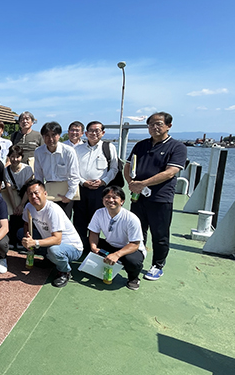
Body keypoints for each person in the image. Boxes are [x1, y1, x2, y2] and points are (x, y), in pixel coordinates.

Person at [124, 112, 187, 281]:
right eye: (151, 124)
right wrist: (131, 183)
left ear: (169, 126)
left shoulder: (177, 147)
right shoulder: (141, 145)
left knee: (160, 234)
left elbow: (170, 172)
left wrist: (143, 183)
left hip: (160, 198)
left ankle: (157, 265)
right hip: (138, 197)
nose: (154, 127)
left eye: (158, 124)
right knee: (137, 230)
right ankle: (136, 261)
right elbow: (128, 166)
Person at [21, 180, 83, 288]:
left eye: (36, 193)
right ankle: (50, 259)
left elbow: (57, 240)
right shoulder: (29, 207)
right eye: (30, 194)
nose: (34, 196)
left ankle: (64, 271)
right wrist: (28, 238)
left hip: (72, 247)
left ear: (45, 193)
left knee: (54, 250)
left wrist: (34, 242)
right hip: (51, 241)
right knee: (19, 234)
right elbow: (26, 224)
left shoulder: (53, 210)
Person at [88, 186, 146, 291]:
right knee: (83, 242)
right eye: (107, 197)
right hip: (111, 244)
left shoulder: (131, 218)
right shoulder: (99, 213)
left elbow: (135, 244)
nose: (110, 200)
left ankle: (133, 278)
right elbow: (94, 233)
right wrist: (94, 247)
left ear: (122, 201)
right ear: (103, 200)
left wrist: (117, 255)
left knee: (133, 261)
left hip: (129, 248)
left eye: (115, 197)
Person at [73, 121, 118, 246]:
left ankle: (93, 245)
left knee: (97, 218)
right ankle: (80, 245)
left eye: (97, 131)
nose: (94, 133)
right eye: (91, 131)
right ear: (86, 133)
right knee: (79, 219)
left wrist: (104, 181)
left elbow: (114, 168)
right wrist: (83, 182)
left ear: (103, 133)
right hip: (82, 188)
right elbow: (73, 169)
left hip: (100, 190)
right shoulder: (78, 149)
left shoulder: (109, 147)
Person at [33, 121, 80, 217]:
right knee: (48, 220)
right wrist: (40, 194)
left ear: (59, 136)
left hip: (66, 191)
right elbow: (38, 175)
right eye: (47, 135)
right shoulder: (38, 152)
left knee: (64, 222)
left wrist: (69, 196)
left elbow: (74, 175)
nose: (50, 139)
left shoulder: (68, 151)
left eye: (54, 135)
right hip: (49, 192)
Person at [3, 145, 34, 245]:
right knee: (13, 216)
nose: (15, 159)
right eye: (12, 156)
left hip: (26, 196)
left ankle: (23, 241)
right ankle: (12, 240)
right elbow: (9, 189)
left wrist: (21, 205)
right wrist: (14, 206)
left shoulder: (27, 169)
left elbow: (27, 189)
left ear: (21, 157)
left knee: (25, 218)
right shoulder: (6, 170)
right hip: (14, 196)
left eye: (18, 156)